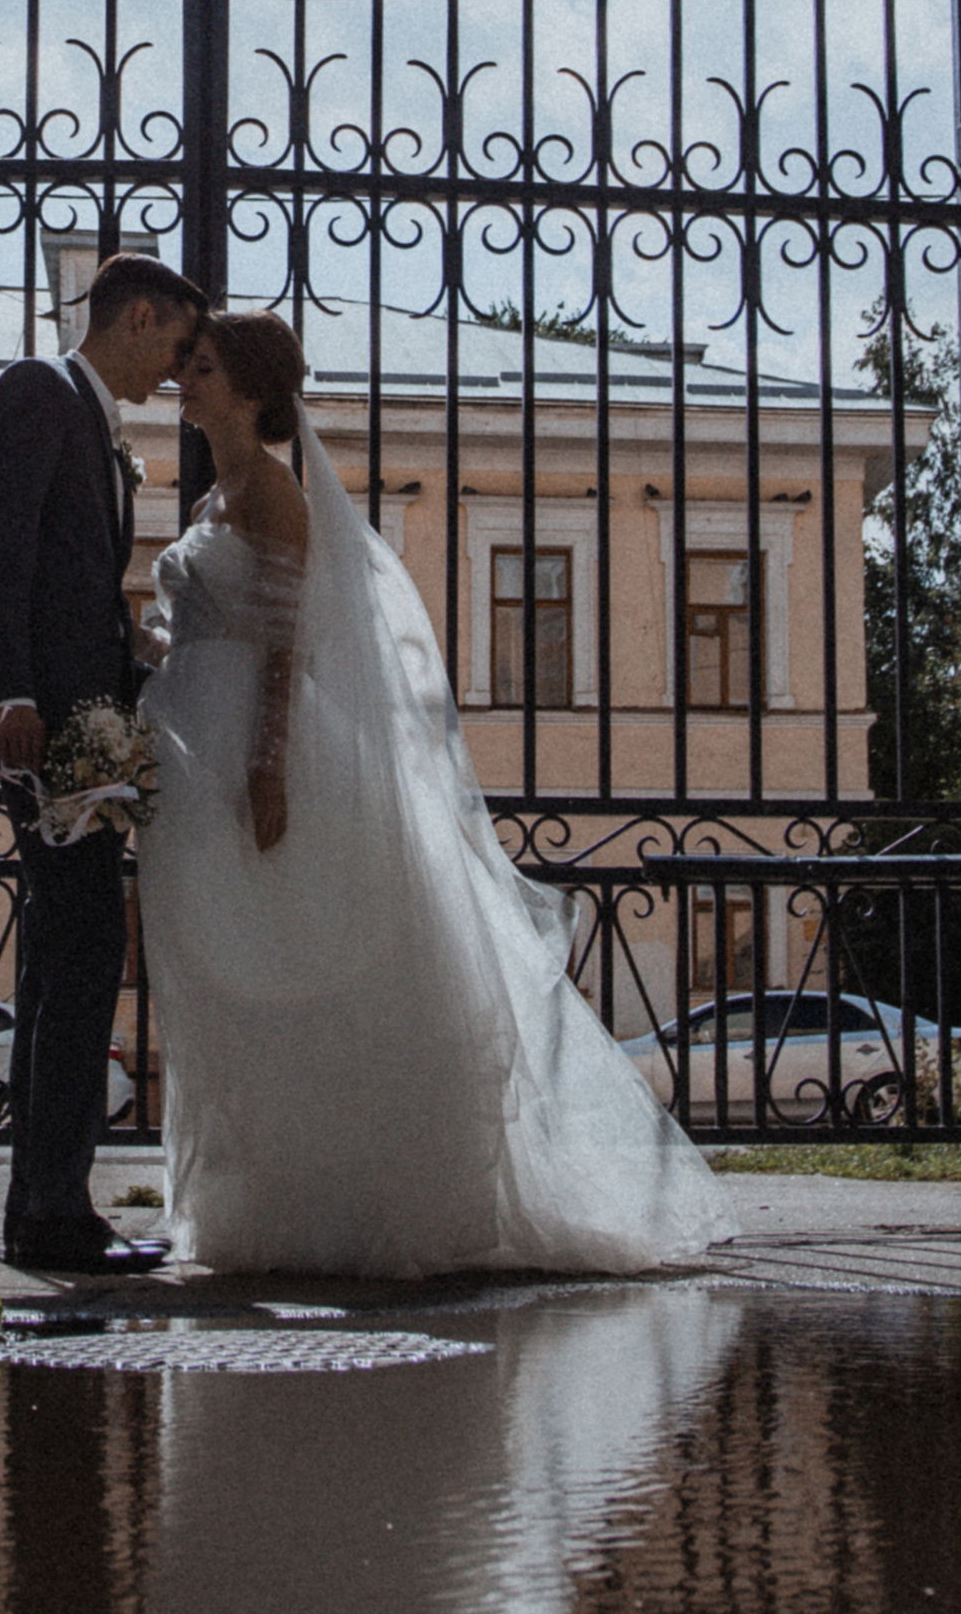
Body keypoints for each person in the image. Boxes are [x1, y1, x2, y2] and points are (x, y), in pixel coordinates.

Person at [139, 310, 731, 1277]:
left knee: (290, 964)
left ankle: (333, 1205)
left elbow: (287, 642)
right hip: (195, 748)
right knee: (225, 977)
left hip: (251, 750)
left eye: (201, 367)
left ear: (248, 390)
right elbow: (217, 625)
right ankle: (249, 1205)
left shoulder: (274, 491)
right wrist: (151, 648)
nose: (183, 380)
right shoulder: (216, 495)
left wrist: (268, 763)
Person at [0, 249, 206, 1271]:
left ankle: (43, 1208)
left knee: (68, 955)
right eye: (176, 346)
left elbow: (71, 584)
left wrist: (142, 651)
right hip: (44, 722)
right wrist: (9, 692)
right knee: (86, 950)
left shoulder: (89, 418)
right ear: (137, 317)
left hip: (75, 714)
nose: (176, 373)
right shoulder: (37, 390)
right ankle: (54, 1211)